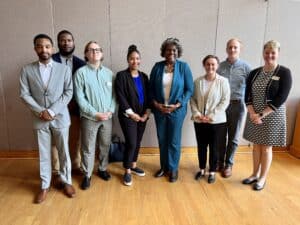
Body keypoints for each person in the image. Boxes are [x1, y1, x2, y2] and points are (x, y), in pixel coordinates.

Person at [19, 34, 76, 203]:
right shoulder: (26, 70)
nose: (43, 49)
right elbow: (24, 94)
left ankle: (67, 181)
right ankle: (45, 185)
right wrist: (40, 111)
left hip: (60, 117)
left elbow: (68, 92)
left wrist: (51, 110)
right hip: (39, 119)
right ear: (35, 48)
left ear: (52, 48)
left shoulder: (64, 69)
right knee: (44, 153)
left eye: (47, 46)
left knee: (64, 151)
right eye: (39, 46)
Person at [242, 40, 292, 191]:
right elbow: (247, 95)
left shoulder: (284, 72)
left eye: (273, 53)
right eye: (267, 52)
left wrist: (261, 114)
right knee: (256, 146)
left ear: (278, 54)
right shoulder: (254, 73)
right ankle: (254, 174)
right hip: (254, 114)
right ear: (263, 53)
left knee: (266, 148)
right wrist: (252, 113)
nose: (269, 55)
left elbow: (282, 97)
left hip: (272, 114)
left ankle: (262, 178)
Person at [149, 37, 194, 182]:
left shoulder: (184, 67)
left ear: (178, 52)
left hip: (177, 110)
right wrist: (156, 105)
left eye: (174, 50)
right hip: (160, 110)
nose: (171, 52)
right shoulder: (157, 67)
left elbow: (189, 89)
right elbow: (150, 89)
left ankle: (173, 169)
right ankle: (164, 167)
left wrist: (178, 104)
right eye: (168, 49)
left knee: (174, 140)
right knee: (162, 139)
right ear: (164, 51)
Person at [74, 41, 116, 190]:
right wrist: (95, 113)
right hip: (90, 118)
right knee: (88, 147)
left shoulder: (109, 73)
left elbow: (114, 96)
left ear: (102, 53)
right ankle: (87, 174)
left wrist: (110, 110)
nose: (95, 52)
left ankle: (102, 169)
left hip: (108, 118)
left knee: (105, 144)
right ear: (86, 54)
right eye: (91, 50)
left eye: (98, 49)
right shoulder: (80, 73)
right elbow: (80, 98)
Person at [190, 55, 230, 183]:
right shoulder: (197, 82)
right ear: (204, 65)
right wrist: (197, 114)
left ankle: (212, 171)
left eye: (213, 64)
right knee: (201, 146)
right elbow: (192, 99)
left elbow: (225, 101)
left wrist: (211, 116)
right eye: (208, 64)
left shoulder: (223, 81)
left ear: (217, 66)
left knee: (214, 147)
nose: (210, 67)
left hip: (216, 121)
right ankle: (201, 169)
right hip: (200, 120)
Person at [115, 45, 150, 186]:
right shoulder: (121, 76)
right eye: (132, 59)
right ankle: (127, 170)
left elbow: (148, 96)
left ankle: (134, 165)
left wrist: (147, 113)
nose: (135, 61)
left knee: (138, 141)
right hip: (127, 115)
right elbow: (121, 97)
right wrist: (132, 114)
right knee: (131, 142)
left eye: (137, 58)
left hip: (143, 115)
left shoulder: (144, 76)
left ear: (140, 60)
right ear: (128, 60)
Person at [51, 30, 86, 176]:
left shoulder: (81, 63)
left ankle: (75, 165)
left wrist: (75, 103)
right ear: (58, 43)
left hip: (75, 107)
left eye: (69, 40)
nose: (66, 43)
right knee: (55, 139)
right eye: (63, 40)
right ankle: (56, 170)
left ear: (74, 42)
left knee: (75, 137)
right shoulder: (50, 61)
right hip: (55, 107)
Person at [217, 38, 251, 178]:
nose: (232, 50)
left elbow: (250, 89)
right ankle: (219, 162)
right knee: (220, 136)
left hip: (238, 105)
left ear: (239, 50)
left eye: (235, 47)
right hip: (221, 105)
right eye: (230, 47)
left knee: (234, 137)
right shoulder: (220, 66)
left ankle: (228, 164)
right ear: (226, 49)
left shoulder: (246, 67)